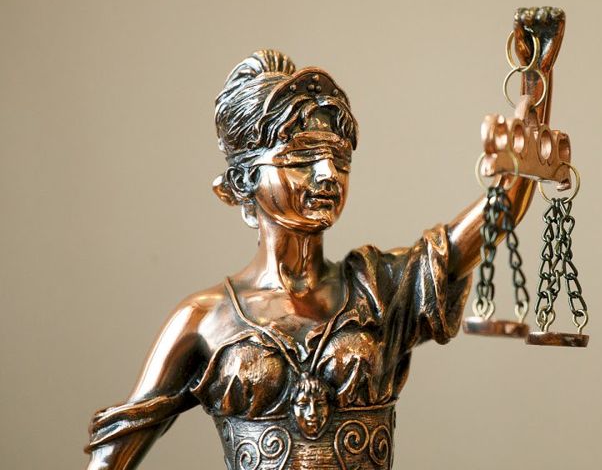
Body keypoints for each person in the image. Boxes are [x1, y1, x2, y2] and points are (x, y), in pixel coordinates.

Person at [85, 49, 535, 470]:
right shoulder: (205, 320)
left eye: (339, 159)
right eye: (302, 158)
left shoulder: (379, 290)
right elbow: (111, 457)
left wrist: (535, 85)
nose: (328, 175)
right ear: (243, 179)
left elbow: (497, 214)